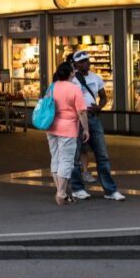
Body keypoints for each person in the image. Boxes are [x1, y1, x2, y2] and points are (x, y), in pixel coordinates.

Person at [68, 50, 125, 201]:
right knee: (75, 156)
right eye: (81, 62)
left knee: (103, 155)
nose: (85, 63)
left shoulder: (96, 78)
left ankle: (110, 190)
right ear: (75, 64)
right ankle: (77, 188)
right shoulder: (71, 80)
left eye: (87, 60)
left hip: (93, 118)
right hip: (76, 120)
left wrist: (99, 107)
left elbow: (104, 97)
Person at [45, 62, 90, 206]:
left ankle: (60, 191)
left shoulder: (52, 87)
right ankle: (61, 193)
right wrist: (86, 129)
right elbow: (82, 111)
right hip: (68, 128)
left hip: (51, 127)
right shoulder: (74, 89)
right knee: (66, 160)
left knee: (56, 158)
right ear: (71, 73)